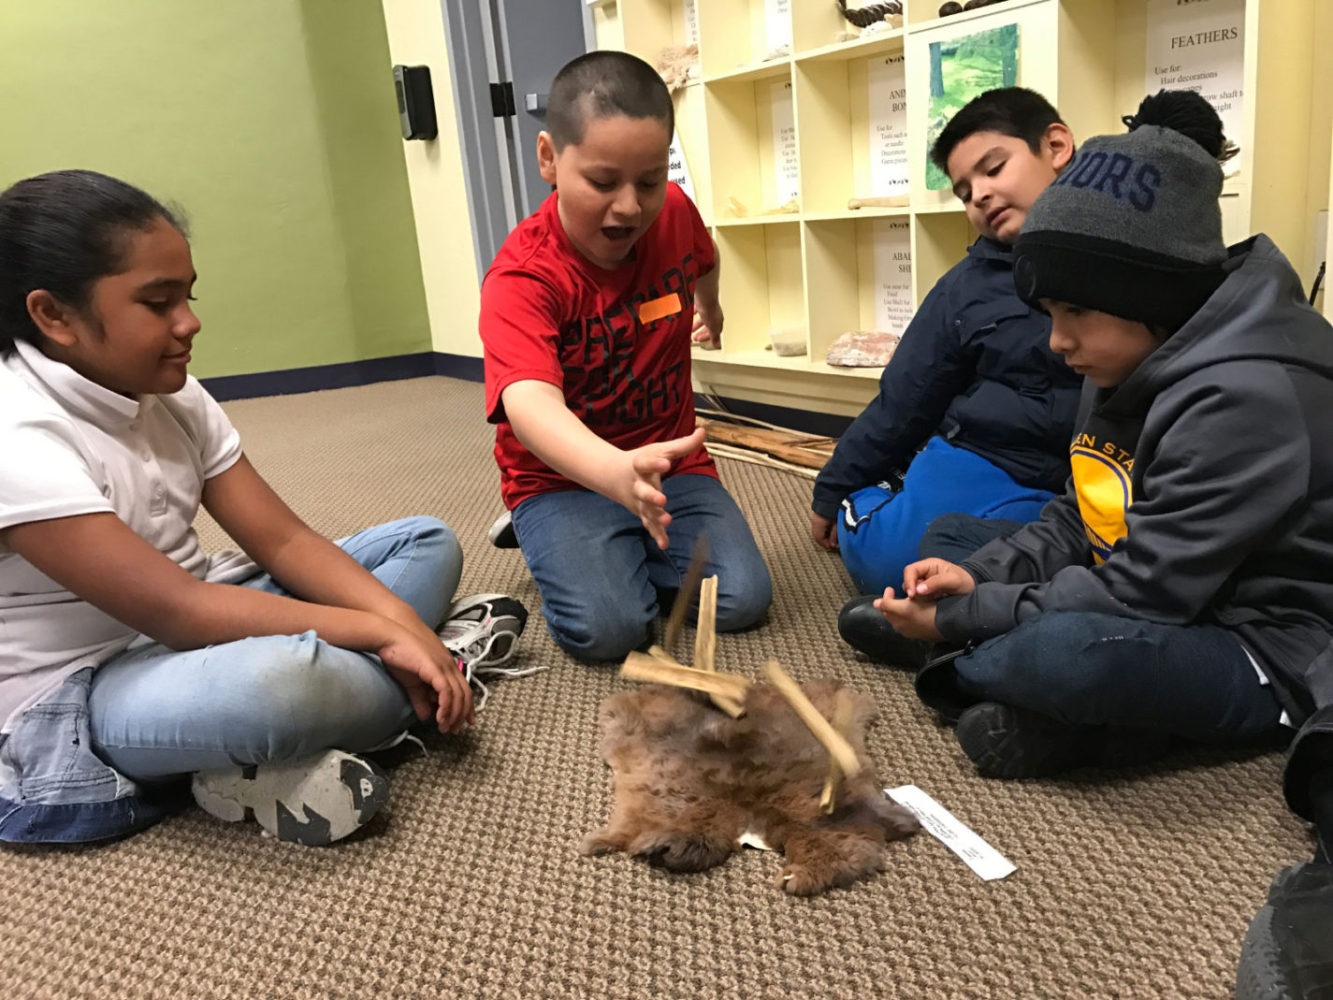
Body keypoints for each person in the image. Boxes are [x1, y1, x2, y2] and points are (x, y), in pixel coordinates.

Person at [863, 90, 1333, 993]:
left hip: (1270, 646)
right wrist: (977, 572)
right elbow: (1085, 511)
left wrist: (964, 622)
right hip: (1177, 594)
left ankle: (992, 675)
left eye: (1074, 313)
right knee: (959, 540)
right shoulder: (1132, 348)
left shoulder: (1248, 397)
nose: (1056, 340)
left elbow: (1140, 596)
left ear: (1145, 300)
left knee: (1071, 649)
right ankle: (1059, 707)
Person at [0, 169, 526, 846]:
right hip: (86, 685)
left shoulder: (172, 392)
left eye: (187, 296)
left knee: (424, 541)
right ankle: (407, 676)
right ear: (54, 316)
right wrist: (384, 635)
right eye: (157, 303)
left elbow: (282, 542)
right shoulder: (16, 432)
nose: (189, 322)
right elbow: (178, 613)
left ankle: (339, 708)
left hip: (205, 604)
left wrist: (393, 620)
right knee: (281, 688)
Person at [479, 51, 772, 661]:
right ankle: (550, 537)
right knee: (610, 632)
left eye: (649, 180)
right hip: (561, 478)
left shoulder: (674, 213)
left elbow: (704, 260)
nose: (630, 207)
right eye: (604, 182)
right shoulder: (523, 278)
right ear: (549, 160)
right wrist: (612, 474)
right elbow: (529, 403)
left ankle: (610, 547)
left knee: (742, 600)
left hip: (670, 466)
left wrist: (709, 309)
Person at [816, 87, 1084, 656]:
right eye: (965, 191)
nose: (981, 195)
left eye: (994, 168)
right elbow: (906, 396)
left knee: (1092, 557)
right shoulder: (966, 287)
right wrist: (833, 486)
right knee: (897, 562)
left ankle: (963, 631)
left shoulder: (1121, 249)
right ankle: (880, 496)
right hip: (984, 454)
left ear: (1056, 145)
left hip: (1077, 479)